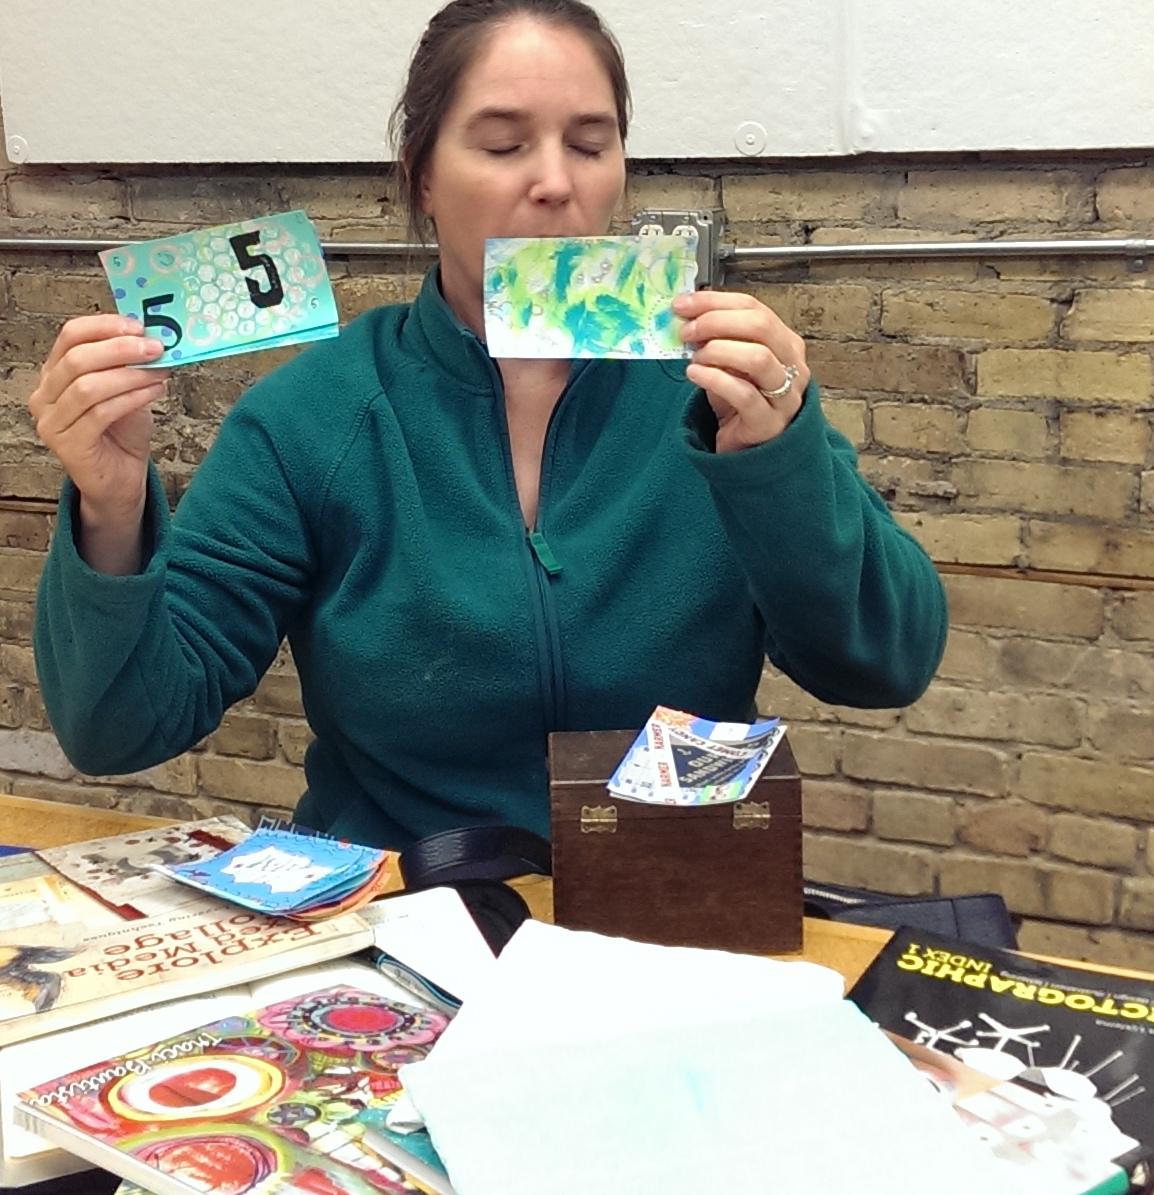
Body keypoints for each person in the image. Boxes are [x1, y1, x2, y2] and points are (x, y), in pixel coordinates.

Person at [29, 0, 947, 850]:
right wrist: (110, 508)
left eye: (590, 144)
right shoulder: (315, 417)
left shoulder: (713, 396)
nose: (554, 182)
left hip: (667, 899)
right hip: (404, 911)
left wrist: (777, 463)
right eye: (505, 145)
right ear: (423, 177)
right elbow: (121, 725)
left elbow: (888, 662)